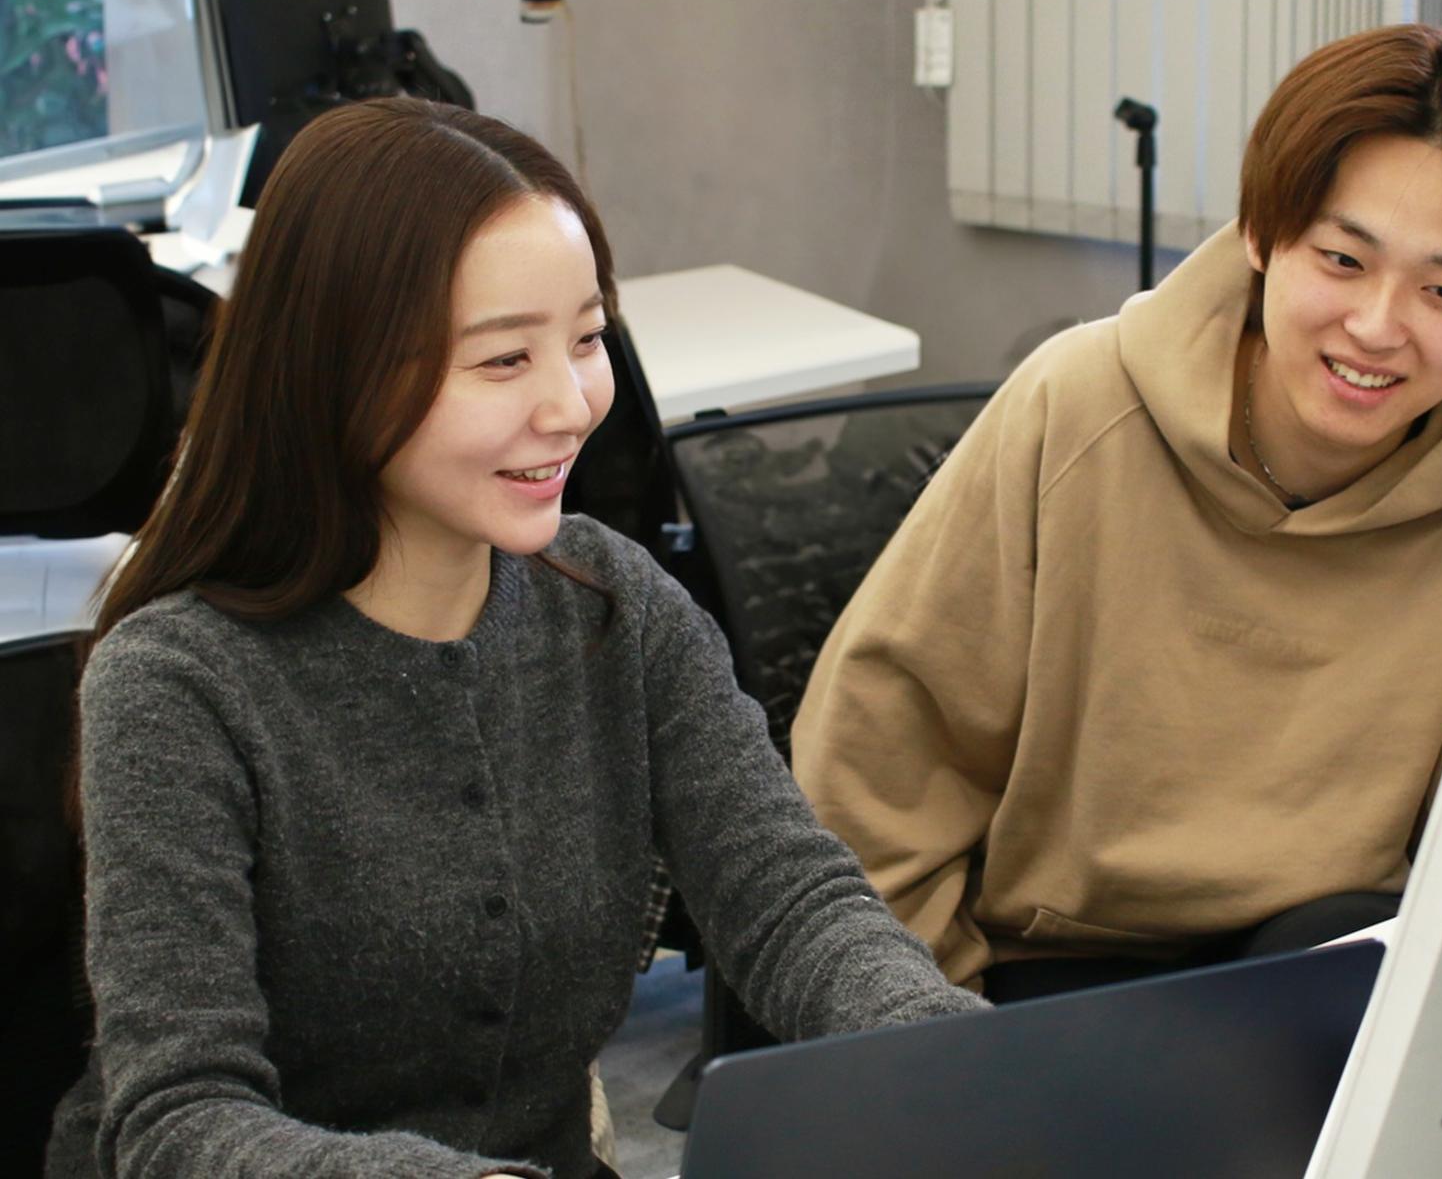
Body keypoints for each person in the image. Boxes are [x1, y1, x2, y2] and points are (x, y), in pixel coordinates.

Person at [44, 98, 985, 1179]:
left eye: (586, 339)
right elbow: (178, 1118)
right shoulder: (177, 685)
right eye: (502, 361)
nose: (571, 405)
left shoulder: (612, 602)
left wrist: (955, 1061)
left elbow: (788, 901)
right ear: (338, 370)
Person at [791, 24, 1442, 999]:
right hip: (1045, 977)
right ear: (1261, 235)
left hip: (1342, 980)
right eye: (1342, 260)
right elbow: (875, 765)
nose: (1376, 326)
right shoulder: (1076, 405)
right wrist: (938, 1030)